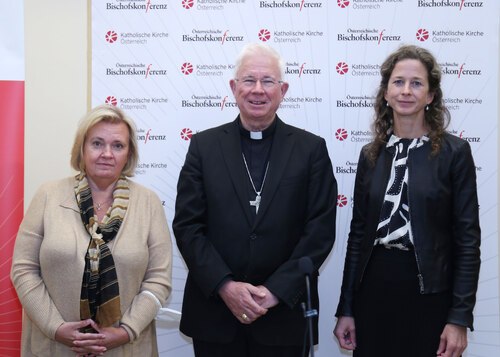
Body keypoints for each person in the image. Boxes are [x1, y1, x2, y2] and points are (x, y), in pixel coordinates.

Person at [173, 42, 337, 357]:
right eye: (249, 80)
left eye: (268, 81)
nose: (258, 90)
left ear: (283, 89)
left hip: (284, 315)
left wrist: (275, 290)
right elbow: (187, 225)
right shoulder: (203, 147)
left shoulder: (310, 149)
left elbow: (319, 230)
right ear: (234, 88)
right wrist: (225, 286)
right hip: (215, 316)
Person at [333, 44, 481, 357]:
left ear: (430, 96)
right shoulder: (371, 154)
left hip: (429, 294)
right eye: (398, 82)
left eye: (416, 83)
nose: (406, 91)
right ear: (385, 93)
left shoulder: (454, 153)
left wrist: (458, 317)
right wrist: (346, 308)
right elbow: (358, 235)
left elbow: (467, 242)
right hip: (374, 291)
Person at [11, 104, 172, 356]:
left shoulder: (148, 202)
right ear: (82, 149)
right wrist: (56, 328)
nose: (107, 153)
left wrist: (126, 331)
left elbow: (158, 280)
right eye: (97, 143)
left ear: (128, 154)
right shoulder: (47, 195)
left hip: (125, 348)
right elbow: (23, 269)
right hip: (54, 345)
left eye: (118, 145)